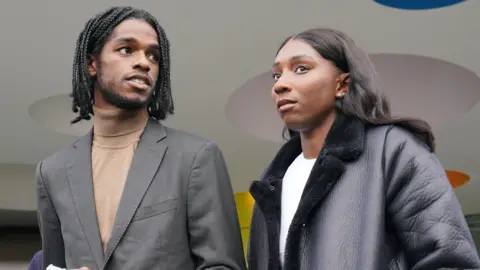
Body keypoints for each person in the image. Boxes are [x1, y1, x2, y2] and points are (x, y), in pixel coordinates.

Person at [247, 28, 480, 270]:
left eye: (301, 69)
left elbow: (449, 261)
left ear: (342, 84)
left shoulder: (393, 151)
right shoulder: (271, 183)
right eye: (276, 75)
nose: (280, 85)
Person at [36, 6, 246, 270]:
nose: (144, 63)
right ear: (92, 64)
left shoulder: (196, 158)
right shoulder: (52, 172)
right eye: (126, 49)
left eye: (154, 56)